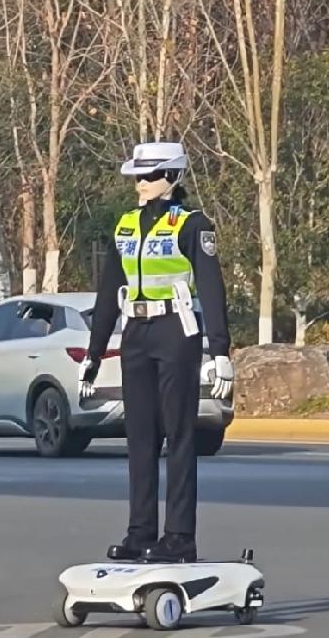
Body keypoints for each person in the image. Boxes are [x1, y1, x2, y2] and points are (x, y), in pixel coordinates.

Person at [80, 141, 234, 563]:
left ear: (172, 177)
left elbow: (212, 287)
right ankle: (140, 532)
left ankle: (180, 536)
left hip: (175, 330)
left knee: (179, 435)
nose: (141, 184)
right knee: (140, 437)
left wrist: (219, 350)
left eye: (149, 176)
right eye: (137, 177)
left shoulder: (192, 225)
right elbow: (110, 291)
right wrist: (94, 354)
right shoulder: (126, 225)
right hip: (136, 334)